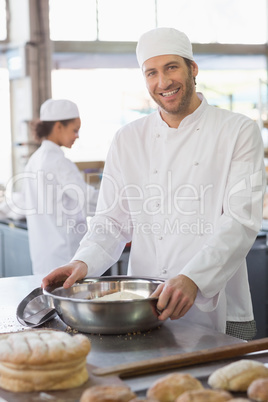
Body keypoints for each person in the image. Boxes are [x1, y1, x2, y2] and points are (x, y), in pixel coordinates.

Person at [42, 28, 265, 340]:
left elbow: (241, 220)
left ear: (193, 69)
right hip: (142, 306)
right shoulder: (128, 138)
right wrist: (83, 262)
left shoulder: (238, 131)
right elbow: (112, 220)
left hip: (214, 300)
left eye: (172, 67)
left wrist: (193, 278)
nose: (163, 82)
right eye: (152, 72)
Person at [24, 99, 99, 275]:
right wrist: (121, 201)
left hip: (45, 254)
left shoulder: (35, 159)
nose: (77, 135)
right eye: (74, 129)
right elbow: (86, 199)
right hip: (66, 253)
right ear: (58, 127)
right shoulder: (58, 162)